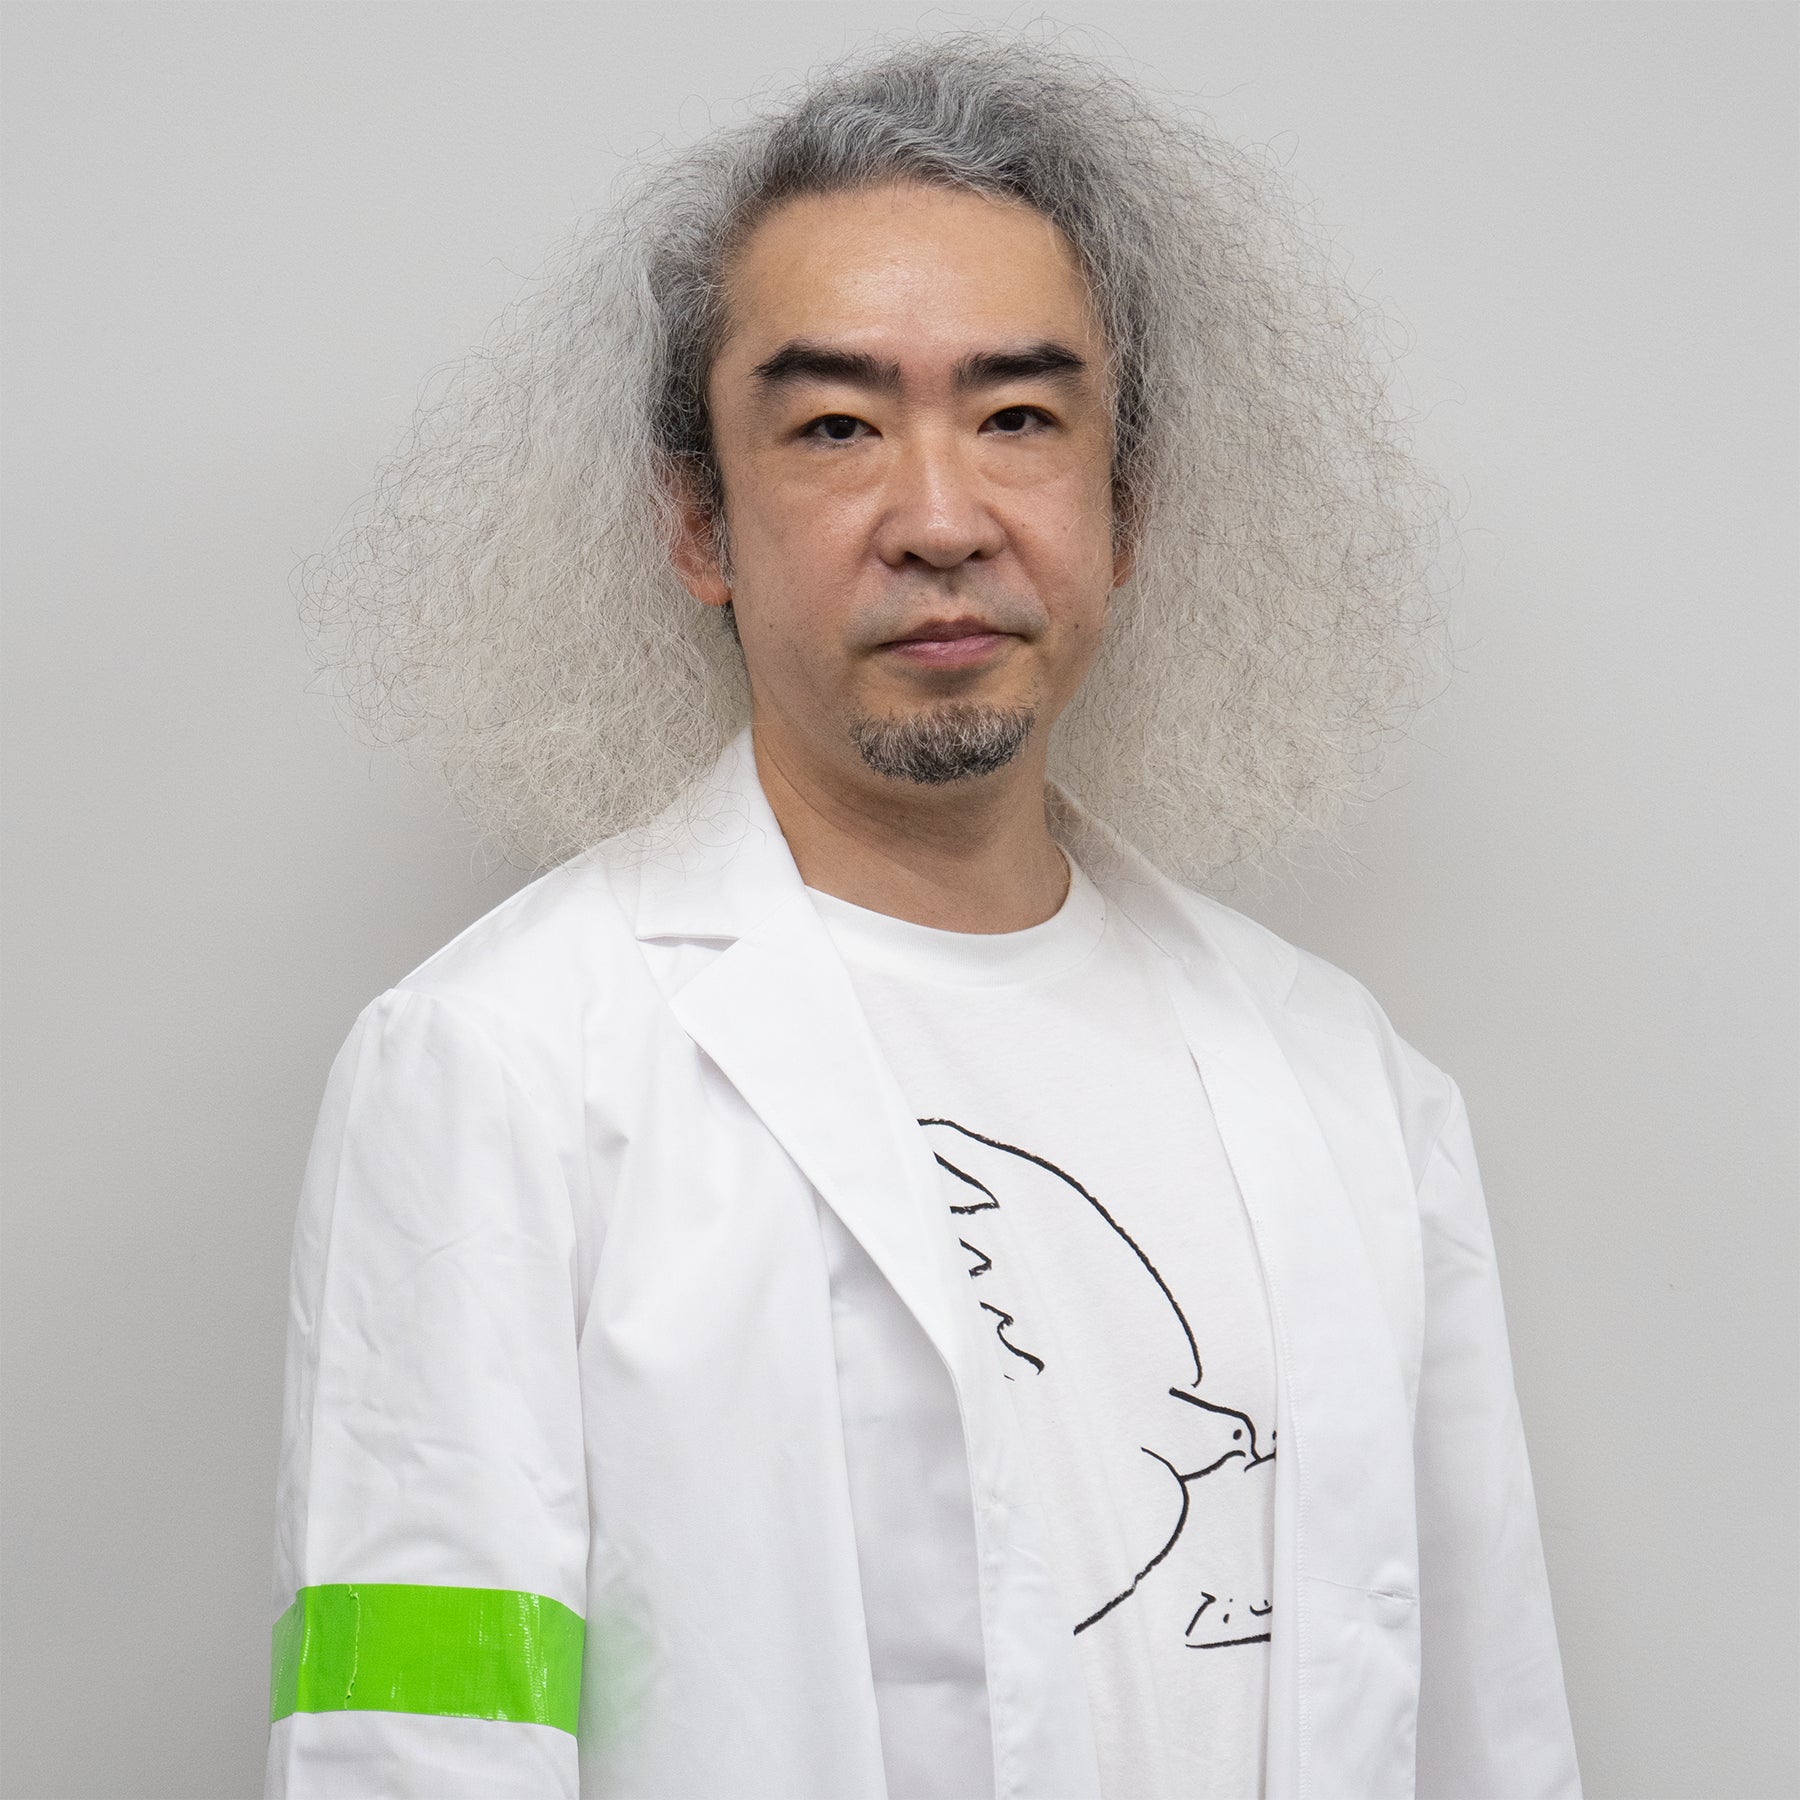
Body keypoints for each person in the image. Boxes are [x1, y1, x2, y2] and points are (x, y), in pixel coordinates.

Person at [266, 32, 1581, 1800]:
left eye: (1019, 417)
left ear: (1125, 509)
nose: (941, 519)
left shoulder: (1351, 1087)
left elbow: (1488, 1724)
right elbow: (413, 1739)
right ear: (698, 523)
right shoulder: (496, 1066)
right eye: (834, 427)